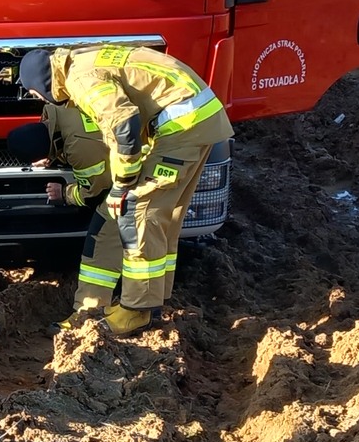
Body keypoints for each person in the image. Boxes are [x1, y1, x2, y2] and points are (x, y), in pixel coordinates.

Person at [17, 43, 231, 334]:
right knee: (163, 216)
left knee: (136, 210)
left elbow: (124, 125)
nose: (37, 99)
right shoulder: (79, 61)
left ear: (43, 82)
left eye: (34, 93)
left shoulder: (80, 80)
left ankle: (135, 310)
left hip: (181, 125)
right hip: (196, 119)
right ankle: (152, 302)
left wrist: (122, 187)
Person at [3, 100, 114, 308]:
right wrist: (54, 157)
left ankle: (90, 309)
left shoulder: (80, 150)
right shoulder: (58, 110)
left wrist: (63, 193)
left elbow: (94, 191)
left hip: (136, 175)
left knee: (100, 241)